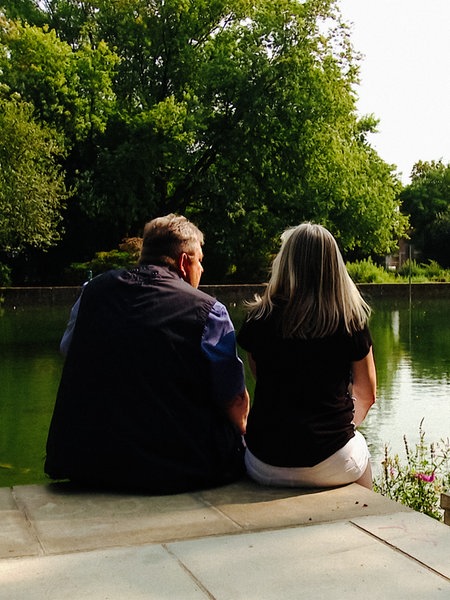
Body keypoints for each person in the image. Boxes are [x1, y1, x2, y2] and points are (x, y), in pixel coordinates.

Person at [45, 214, 249, 494]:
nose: (201, 268)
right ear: (183, 262)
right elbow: (234, 399)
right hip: (178, 468)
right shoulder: (209, 311)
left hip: (85, 462)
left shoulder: (92, 293)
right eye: (199, 260)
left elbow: (69, 350)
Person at [237, 223, 376, 489]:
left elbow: (259, 375)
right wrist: (340, 431)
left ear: (285, 261)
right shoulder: (350, 321)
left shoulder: (258, 318)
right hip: (332, 461)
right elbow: (367, 393)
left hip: (263, 462)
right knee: (359, 451)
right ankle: (365, 520)